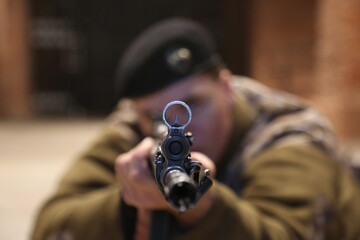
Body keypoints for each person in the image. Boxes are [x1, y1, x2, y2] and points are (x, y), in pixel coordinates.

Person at [31, 18, 360, 240]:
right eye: (157, 114)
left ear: (227, 88)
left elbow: (286, 232)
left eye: (193, 104)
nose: (178, 124)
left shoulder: (290, 134)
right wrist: (127, 201)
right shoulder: (132, 129)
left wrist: (205, 209)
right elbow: (50, 227)